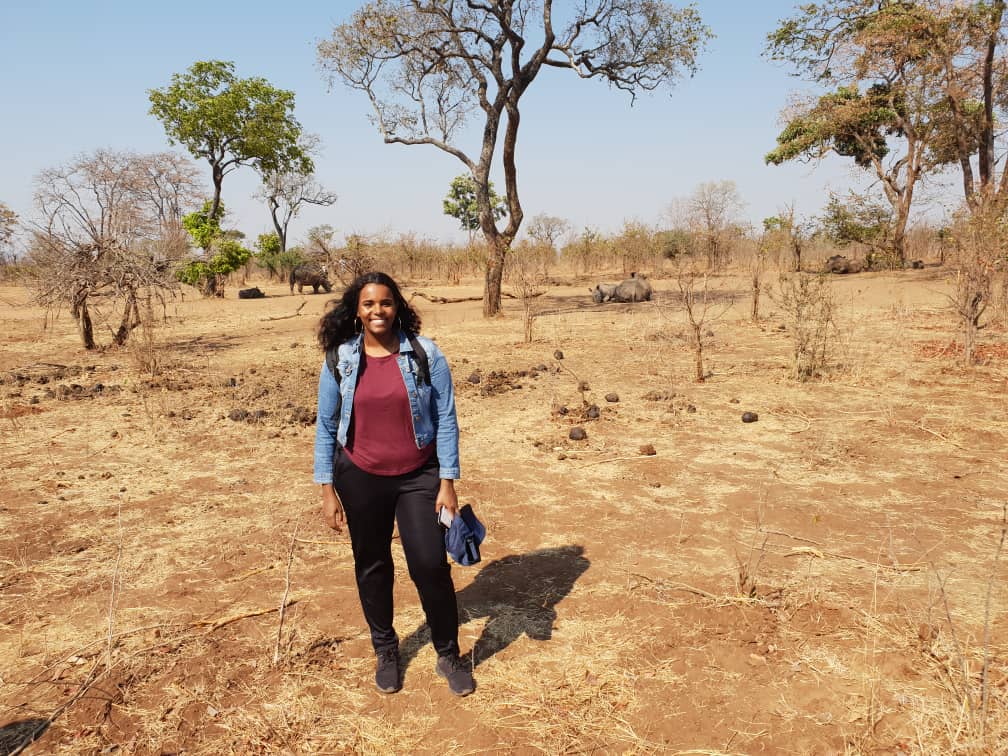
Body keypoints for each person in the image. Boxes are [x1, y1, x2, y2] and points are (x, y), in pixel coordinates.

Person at [313, 271, 475, 696]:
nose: (377, 311)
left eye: (385, 303)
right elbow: (326, 425)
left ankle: (448, 653)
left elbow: (447, 421)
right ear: (357, 311)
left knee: (429, 566)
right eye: (368, 304)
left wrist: (447, 481)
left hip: (418, 475)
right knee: (372, 566)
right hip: (359, 476)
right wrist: (327, 487)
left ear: (397, 306)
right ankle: (386, 650)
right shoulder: (341, 358)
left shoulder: (425, 354)